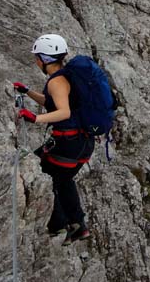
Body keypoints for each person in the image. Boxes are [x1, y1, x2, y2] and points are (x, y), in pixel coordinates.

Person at [13, 34, 94, 245]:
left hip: (67, 143)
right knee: (64, 179)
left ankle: (59, 225)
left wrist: (35, 118)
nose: (36, 61)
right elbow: (52, 102)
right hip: (83, 145)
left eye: (37, 57)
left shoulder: (57, 81)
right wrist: (28, 92)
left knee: (39, 171)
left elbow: (63, 112)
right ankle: (78, 225)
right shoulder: (65, 78)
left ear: (44, 58)